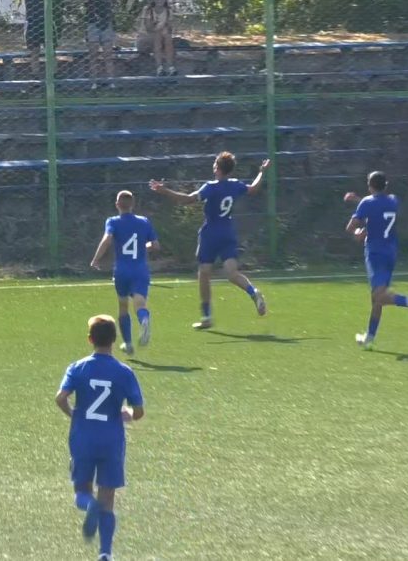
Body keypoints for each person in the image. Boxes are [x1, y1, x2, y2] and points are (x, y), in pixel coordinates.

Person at [55, 315, 144, 560]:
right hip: (112, 441)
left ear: (90, 339)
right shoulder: (124, 372)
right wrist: (127, 414)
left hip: (83, 438)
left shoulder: (78, 367)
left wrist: (74, 414)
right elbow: (138, 411)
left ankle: (89, 504)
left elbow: (60, 398)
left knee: (81, 492)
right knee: (108, 498)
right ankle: (105, 553)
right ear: (114, 339)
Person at [149, 151, 269, 329]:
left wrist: (164, 191)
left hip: (210, 233)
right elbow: (253, 188)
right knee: (232, 273)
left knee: (204, 272)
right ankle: (254, 291)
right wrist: (262, 171)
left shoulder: (210, 187)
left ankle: (206, 317)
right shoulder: (235, 185)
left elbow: (188, 199)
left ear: (217, 169)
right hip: (228, 232)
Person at [344, 172, 408, 349]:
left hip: (375, 253)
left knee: (379, 296)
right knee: (377, 298)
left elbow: (350, 227)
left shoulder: (367, 203)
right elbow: (377, 208)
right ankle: (369, 339)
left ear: (369, 185)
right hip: (391, 252)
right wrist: (359, 200)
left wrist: (358, 233)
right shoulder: (393, 200)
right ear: (385, 185)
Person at [90, 190, 160, 355]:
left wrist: (96, 259)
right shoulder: (144, 222)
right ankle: (144, 319)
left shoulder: (113, 221)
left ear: (117, 205)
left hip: (122, 270)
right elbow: (155, 245)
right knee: (140, 304)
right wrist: (143, 247)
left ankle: (128, 344)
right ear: (133, 204)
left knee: (123, 306)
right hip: (140, 269)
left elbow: (107, 239)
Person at [84, 0, 117, 89]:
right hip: (93, 25)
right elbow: (85, 0)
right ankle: (93, 82)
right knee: (93, 55)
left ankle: (111, 81)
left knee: (108, 55)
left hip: (106, 25)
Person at [18, 0, 46, 76]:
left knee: (50, 49)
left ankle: (53, 77)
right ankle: (35, 76)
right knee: (35, 51)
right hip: (33, 19)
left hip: (46, 19)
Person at [139, 0, 175, 76]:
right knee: (158, 35)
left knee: (167, 36)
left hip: (163, 39)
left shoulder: (168, 10)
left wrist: (164, 27)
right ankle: (159, 67)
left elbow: (170, 28)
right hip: (146, 39)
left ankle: (170, 67)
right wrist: (162, 25)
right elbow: (149, 28)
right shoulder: (148, 9)